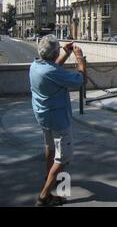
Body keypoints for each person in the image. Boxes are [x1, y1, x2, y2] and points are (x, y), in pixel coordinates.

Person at [30, 35, 87, 207]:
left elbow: (53, 70)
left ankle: (49, 177)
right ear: (54, 52)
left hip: (43, 115)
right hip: (58, 118)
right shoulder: (51, 71)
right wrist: (79, 58)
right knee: (63, 157)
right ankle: (44, 196)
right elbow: (80, 80)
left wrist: (65, 53)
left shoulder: (35, 65)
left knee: (50, 147)